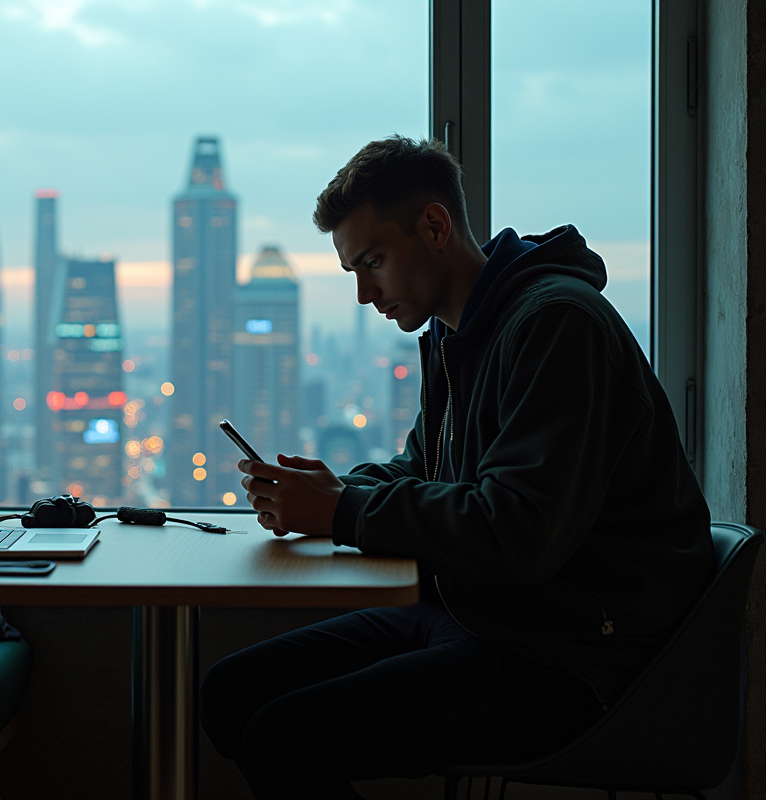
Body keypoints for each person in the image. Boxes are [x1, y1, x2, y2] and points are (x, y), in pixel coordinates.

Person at [198, 135, 714, 799]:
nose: (363, 294)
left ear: (435, 226)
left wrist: (341, 510)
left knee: (282, 738)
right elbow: (426, 469)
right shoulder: (458, 331)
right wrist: (332, 491)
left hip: (576, 655)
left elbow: (517, 532)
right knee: (229, 693)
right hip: (484, 612)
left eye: (373, 261)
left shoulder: (556, 325)